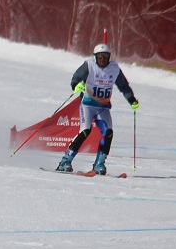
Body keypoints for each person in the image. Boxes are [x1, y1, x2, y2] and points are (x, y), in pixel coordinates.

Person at [54, 43, 139, 175]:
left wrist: (131, 99)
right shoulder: (89, 65)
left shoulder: (114, 68)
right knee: (85, 131)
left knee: (108, 132)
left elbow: (124, 86)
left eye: (105, 56)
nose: (103, 59)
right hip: (87, 105)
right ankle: (65, 161)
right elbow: (76, 78)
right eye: (100, 57)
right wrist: (76, 85)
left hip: (103, 108)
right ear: (95, 57)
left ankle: (99, 164)